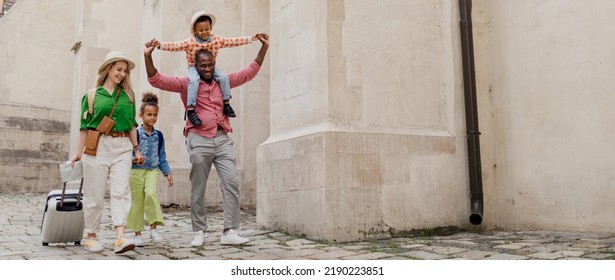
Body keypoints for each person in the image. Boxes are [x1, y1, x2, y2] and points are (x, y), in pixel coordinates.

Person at [143, 32, 269, 246]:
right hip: (198, 139)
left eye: (210, 65)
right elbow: (157, 80)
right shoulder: (187, 83)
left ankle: (229, 230)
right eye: (203, 66)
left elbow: (249, 73)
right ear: (196, 66)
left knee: (231, 182)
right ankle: (199, 231)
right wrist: (148, 56)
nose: (208, 69)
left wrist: (263, 48)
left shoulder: (223, 82)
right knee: (198, 188)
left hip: (222, 138)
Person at [69, 50, 144, 254]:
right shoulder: (92, 95)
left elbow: (132, 126)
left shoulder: (129, 95)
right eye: (119, 69)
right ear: (108, 68)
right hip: (97, 147)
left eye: (125, 71)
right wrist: (78, 152)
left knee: (121, 192)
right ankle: (91, 235)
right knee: (95, 193)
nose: (122, 74)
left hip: (122, 148)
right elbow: (85, 127)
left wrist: (136, 149)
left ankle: (120, 237)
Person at [150, 10, 263, 124]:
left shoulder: (216, 40)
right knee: (194, 81)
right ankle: (191, 109)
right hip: (194, 68)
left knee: (224, 77)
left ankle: (226, 103)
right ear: (194, 30)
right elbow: (175, 46)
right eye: (201, 30)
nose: (204, 32)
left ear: (211, 27)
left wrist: (251, 39)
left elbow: (232, 41)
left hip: (210, 67)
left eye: (207, 29)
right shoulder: (190, 42)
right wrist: (160, 45)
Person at [127, 92, 173, 247]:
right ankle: (137, 234)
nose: (152, 117)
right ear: (141, 115)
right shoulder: (135, 134)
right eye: (149, 114)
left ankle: (153, 228)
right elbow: (128, 153)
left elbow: (162, 156)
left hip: (152, 170)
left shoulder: (158, 136)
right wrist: (133, 159)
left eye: (155, 115)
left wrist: (167, 172)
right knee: (137, 202)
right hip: (136, 171)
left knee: (151, 194)